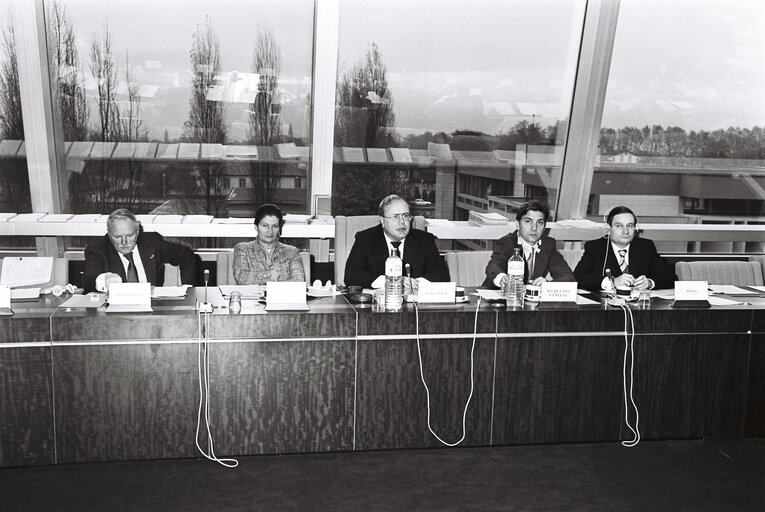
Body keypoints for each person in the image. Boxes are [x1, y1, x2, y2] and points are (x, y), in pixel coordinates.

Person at [344, 194, 450, 289]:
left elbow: (441, 274)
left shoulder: (424, 240)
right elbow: (351, 275)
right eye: (395, 217)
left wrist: (416, 283)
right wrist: (391, 281)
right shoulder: (366, 239)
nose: (402, 222)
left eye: (405, 216)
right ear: (382, 221)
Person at [83, 208, 197, 293]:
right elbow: (89, 279)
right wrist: (105, 279)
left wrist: (187, 288)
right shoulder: (97, 250)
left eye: (130, 235)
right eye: (117, 237)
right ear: (109, 233)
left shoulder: (152, 242)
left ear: (137, 231)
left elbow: (186, 254)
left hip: (152, 312)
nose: (124, 242)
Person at [574, 206, 676, 292]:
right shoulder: (595, 247)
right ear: (608, 228)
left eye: (630, 226)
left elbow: (670, 277)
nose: (626, 231)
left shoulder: (645, 246)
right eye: (619, 226)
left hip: (638, 309)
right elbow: (578, 277)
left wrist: (649, 283)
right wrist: (611, 282)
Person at [483, 200, 575, 288]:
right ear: (518, 224)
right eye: (528, 221)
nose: (534, 228)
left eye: (539, 222)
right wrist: (503, 278)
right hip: (496, 295)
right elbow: (493, 266)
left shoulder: (548, 244)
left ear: (544, 227)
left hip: (529, 300)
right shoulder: (507, 242)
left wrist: (547, 285)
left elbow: (568, 277)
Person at [232, 203, 305, 285]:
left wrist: (261, 279)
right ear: (256, 227)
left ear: (279, 228)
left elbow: (298, 281)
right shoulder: (243, 249)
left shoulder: (292, 252)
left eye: (274, 226)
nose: (270, 231)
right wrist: (272, 275)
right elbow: (242, 278)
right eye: (265, 226)